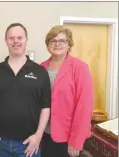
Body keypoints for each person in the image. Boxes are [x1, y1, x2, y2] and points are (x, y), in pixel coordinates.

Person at [0, 23, 51, 157]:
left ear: (26, 40)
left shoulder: (40, 72)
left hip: (29, 144)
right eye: (11, 38)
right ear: (6, 41)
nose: (15, 41)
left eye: (19, 37)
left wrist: (38, 136)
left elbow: (46, 107)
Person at [40, 25, 94, 157]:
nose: (57, 44)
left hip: (67, 138)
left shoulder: (80, 68)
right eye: (53, 41)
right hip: (43, 135)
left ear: (69, 44)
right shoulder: (41, 67)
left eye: (62, 41)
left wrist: (76, 140)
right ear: (48, 45)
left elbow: (84, 107)